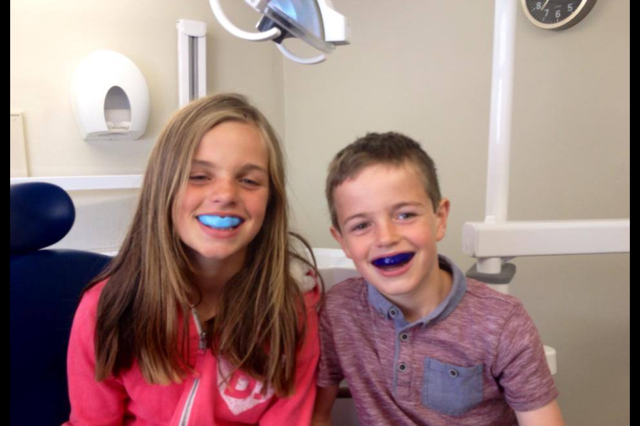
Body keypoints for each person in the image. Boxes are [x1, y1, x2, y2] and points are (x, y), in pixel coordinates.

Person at [65, 93, 321, 425]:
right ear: (163, 189)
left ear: (271, 202)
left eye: (249, 180)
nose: (225, 195)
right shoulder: (107, 308)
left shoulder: (294, 307)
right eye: (199, 176)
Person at [312, 132, 564, 425]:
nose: (386, 238)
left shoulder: (503, 323)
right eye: (361, 225)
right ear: (342, 241)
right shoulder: (338, 311)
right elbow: (317, 415)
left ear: (440, 219)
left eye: (405, 215)